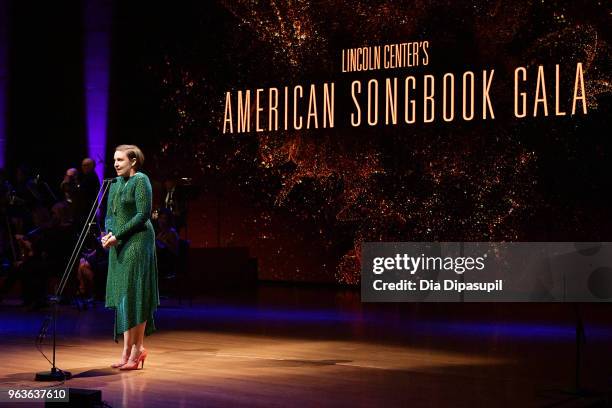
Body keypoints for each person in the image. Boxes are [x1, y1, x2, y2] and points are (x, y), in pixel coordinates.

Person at [102, 145, 159, 370]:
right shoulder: (115, 184)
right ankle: (126, 350)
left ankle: (138, 349)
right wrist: (107, 235)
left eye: (120, 160)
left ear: (133, 161)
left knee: (135, 292)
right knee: (123, 295)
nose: (115, 164)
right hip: (118, 241)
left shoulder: (141, 180)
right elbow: (109, 215)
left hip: (138, 240)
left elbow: (143, 214)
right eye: (114, 160)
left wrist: (118, 235)